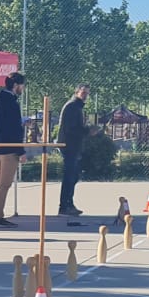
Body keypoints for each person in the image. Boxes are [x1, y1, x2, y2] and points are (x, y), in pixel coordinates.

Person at [0, 72, 25, 227]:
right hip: (10, 147)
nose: (23, 89)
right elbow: (13, 129)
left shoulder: (1, 99)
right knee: (4, 184)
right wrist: (20, 150)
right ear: (16, 85)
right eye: (22, 85)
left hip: (2, 145)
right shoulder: (10, 102)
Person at [55, 83, 89, 224]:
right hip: (68, 145)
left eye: (87, 93)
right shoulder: (72, 106)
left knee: (74, 176)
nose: (85, 96)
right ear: (77, 92)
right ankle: (64, 206)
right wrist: (87, 131)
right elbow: (71, 129)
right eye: (83, 93)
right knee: (69, 176)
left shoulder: (77, 107)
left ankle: (69, 203)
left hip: (73, 146)